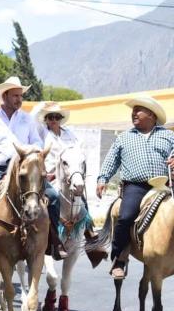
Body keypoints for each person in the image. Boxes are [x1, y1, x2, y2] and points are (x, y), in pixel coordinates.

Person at [0, 76, 64, 263]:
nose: (19, 99)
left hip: (24, 168)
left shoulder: (27, 119)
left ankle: (54, 240)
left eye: (20, 96)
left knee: (54, 197)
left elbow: (36, 141)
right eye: (15, 96)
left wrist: (32, 149)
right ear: (4, 96)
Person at [96, 96, 174, 279]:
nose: (134, 113)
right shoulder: (124, 137)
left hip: (165, 185)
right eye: (134, 110)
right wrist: (102, 179)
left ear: (152, 115)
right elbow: (111, 161)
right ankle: (119, 259)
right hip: (136, 186)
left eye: (139, 109)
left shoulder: (168, 135)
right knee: (125, 217)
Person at [35, 101, 99, 242]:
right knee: (47, 198)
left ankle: (89, 227)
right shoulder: (42, 133)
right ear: (45, 119)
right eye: (50, 117)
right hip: (50, 175)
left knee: (80, 193)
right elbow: (32, 117)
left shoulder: (69, 133)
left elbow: (77, 150)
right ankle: (45, 231)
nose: (53, 120)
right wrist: (41, 105)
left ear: (60, 119)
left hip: (68, 172)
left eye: (56, 117)